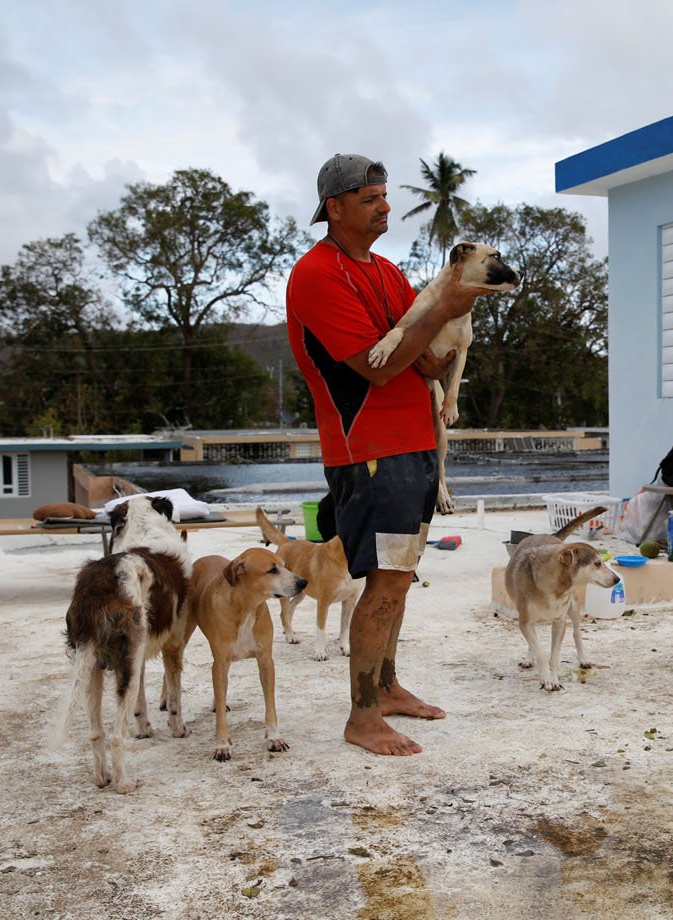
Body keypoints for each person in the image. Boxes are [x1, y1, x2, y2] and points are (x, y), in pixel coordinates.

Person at [285, 153, 484, 756]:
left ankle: (388, 686)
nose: (385, 206)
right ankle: (363, 717)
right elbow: (379, 367)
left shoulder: (390, 272)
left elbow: (425, 357)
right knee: (385, 581)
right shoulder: (317, 275)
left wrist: (448, 329)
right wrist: (441, 316)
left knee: (396, 578)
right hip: (368, 449)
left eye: (385, 195)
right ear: (334, 208)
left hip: (417, 443)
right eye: (370, 198)